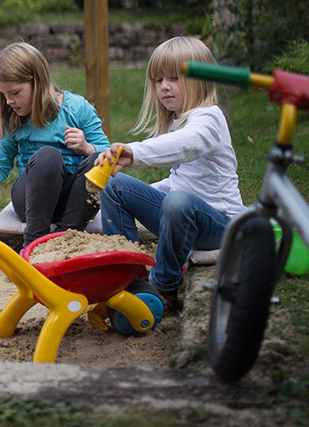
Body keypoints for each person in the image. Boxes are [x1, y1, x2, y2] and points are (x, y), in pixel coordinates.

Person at [94, 36, 244, 311]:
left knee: (178, 202)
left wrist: (134, 152)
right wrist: (145, 195)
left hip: (220, 225)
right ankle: (127, 277)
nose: (164, 86)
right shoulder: (180, 120)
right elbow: (180, 180)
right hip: (183, 218)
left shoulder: (209, 118)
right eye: (158, 79)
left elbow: (185, 145)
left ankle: (163, 285)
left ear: (200, 80)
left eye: (174, 78)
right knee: (116, 185)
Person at [0, 41, 110, 249]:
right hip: (31, 201)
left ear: (38, 82)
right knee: (47, 157)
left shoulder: (77, 108)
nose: (8, 101)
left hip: (73, 202)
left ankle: (65, 239)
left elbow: (108, 156)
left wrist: (86, 148)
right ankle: (33, 243)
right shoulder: (13, 117)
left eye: (15, 93)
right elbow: (0, 163)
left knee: (97, 161)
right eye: (3, 94)